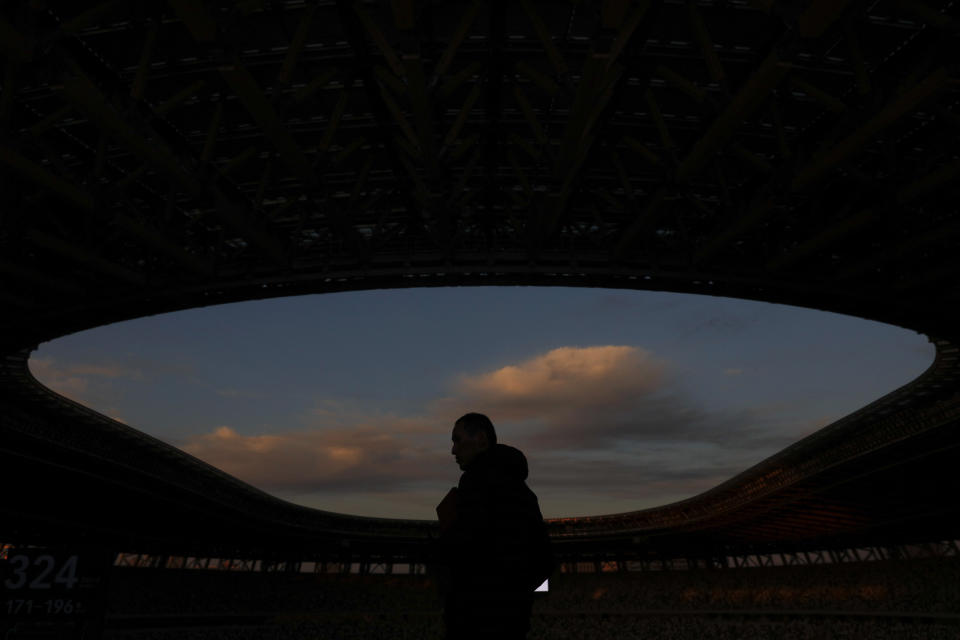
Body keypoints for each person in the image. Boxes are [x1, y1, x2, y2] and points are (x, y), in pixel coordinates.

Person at [434, 412, 554, 640]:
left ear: (480, 440)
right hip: (514, 624)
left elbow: (461, 550)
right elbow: (545, 563)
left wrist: (446, 538)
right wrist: (521, 599)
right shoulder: (526, 494)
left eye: (457, 440)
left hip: (473, 623)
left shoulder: (475, 484)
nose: (453, 450)